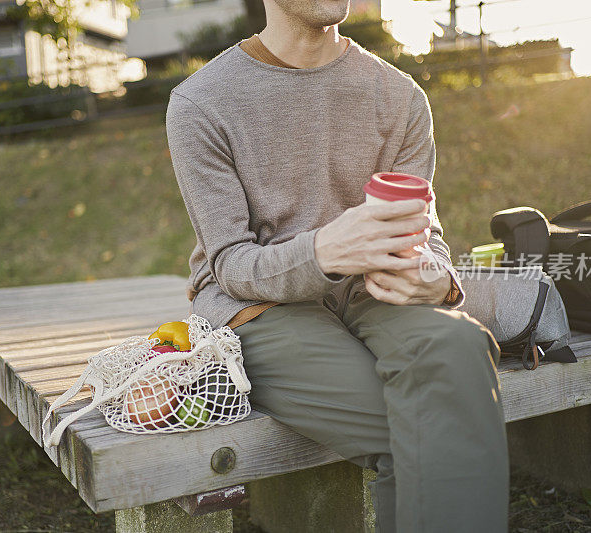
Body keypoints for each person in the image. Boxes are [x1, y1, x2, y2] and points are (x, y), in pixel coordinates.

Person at [165, 1, 510, 531]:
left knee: (459, 345)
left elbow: (428, 237)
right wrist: (323, 251)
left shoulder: (399, 96)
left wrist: (436, 277)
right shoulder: (201, 103)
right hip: (260, 302)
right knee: (430, 428)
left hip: (375, 290)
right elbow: (231, 263)